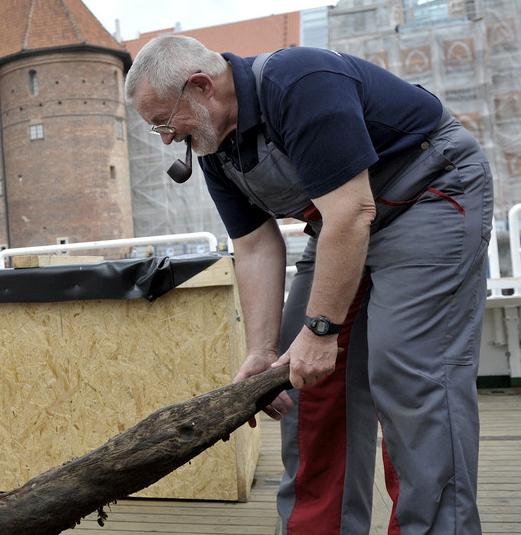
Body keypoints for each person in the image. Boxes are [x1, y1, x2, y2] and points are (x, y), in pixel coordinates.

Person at [125, 35, 492, 535]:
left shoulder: (299, 82)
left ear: (202, 86)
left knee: (407, 373)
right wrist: (261, 351)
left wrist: (320, 332)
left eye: (165, 123)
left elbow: (353, 211)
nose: (167, 139)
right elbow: (255, 247)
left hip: (428, 193)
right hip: (341, 222)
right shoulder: (215, 149)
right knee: (301, 384)